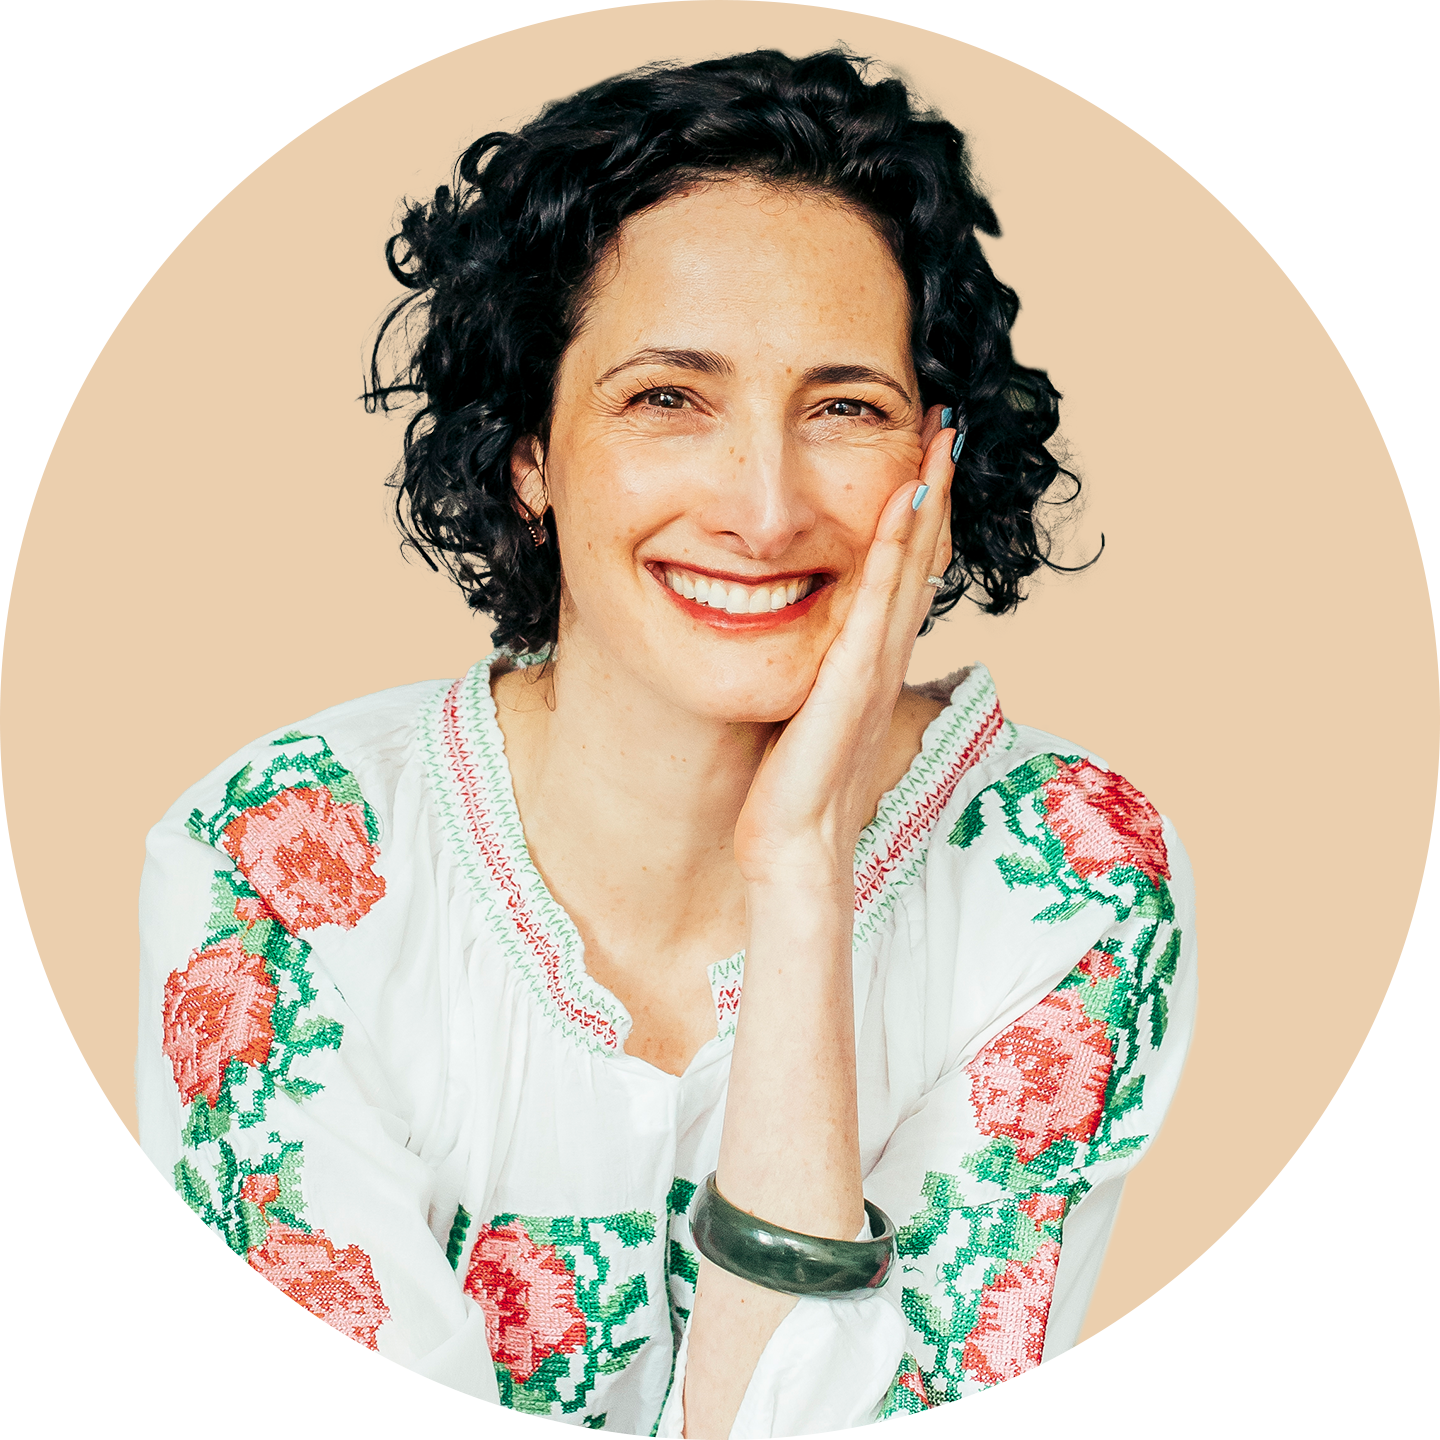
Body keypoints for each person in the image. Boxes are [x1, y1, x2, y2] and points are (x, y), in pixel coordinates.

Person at [137, 48, 1196, 1439]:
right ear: (529, 449)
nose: (764, 508)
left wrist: (802, 874)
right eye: (665, 399)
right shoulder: (279, 863)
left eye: (845, 408)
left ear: (936, 463)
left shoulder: (1070, 880)